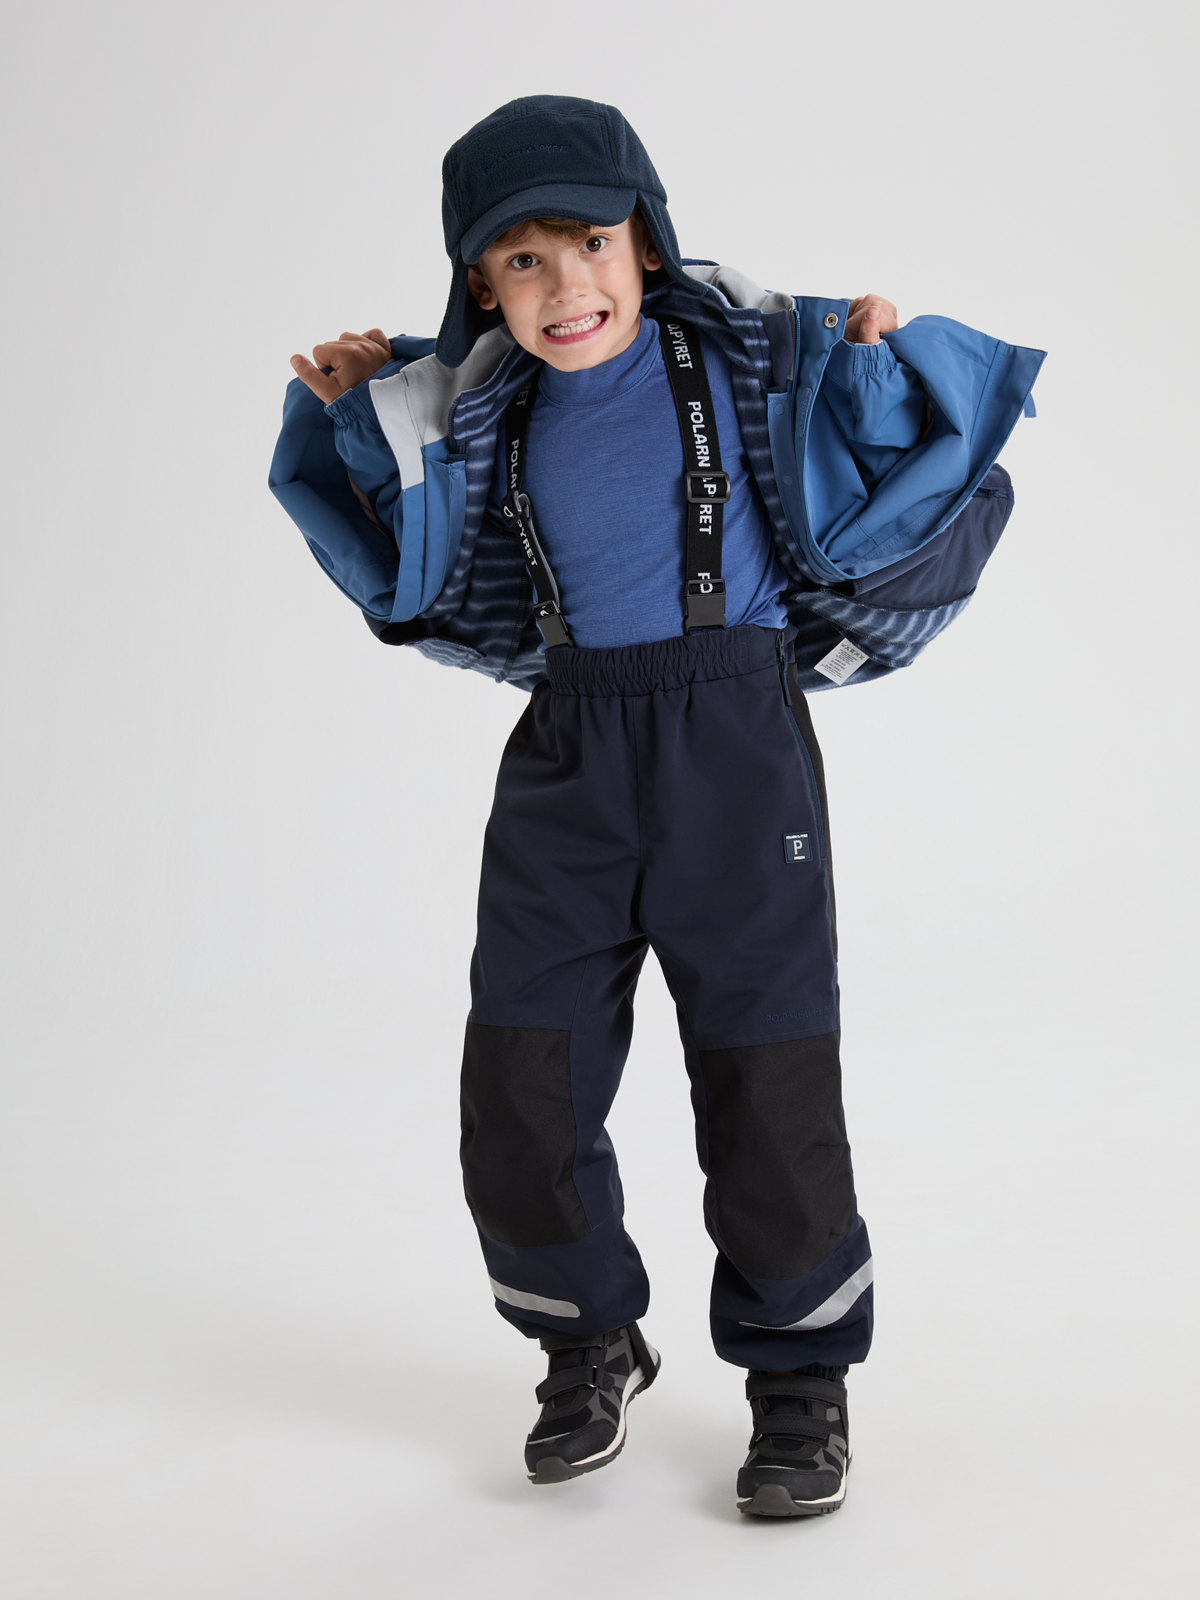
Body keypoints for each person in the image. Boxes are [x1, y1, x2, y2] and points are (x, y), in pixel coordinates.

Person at [273, 93, 1043, 1518]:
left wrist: (876, 362)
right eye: (521, 261)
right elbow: (394, 528)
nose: (565, 286)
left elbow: (884, 444)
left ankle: (799, 1381)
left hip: (734, 736)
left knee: (765, 1071)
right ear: (479, 285)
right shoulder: (476, 407)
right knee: (522, 1077)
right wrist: (355, 406)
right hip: (568, 749)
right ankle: (588, 1343)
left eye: (591, 243)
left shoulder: (752, 355)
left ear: (647, 240)